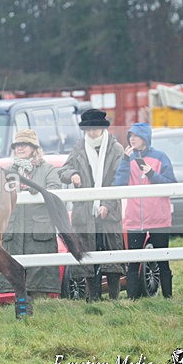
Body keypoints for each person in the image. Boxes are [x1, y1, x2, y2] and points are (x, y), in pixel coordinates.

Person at [58, 109, 126, 300]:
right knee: (88, 254)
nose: (92, 133)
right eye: (88, 129)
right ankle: (92, 298)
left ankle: (114, 297)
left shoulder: (116, 149)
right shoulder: (79, 147)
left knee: (111, 254)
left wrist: (107, 204)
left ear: (102, 128)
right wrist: (72, 174)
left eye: (94, 129)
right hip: (85, 211)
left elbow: (118, 179)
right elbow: (63, 170)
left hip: (108, 212)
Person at [114, 122, 177, 299]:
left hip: (159, 219)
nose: (132, 139)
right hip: (134, 219)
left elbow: (172, 184)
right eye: (130, 136)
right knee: (133, 263)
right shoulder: (127, 159)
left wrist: (152, 175)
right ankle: (133, 300)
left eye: (136, 136)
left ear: (145, 138)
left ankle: (168, 298)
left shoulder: (160, 157)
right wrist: (125, 162)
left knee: (163, 261)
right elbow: (119, 185)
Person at [0, 129, 62, 298]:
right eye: (17, 145)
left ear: (34, 148)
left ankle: (38, 314)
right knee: (15, 275)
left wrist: (37, 190)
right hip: (14, 230)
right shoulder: (7, 171)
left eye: (24, 144)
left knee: (38, 278)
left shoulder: (47, 169)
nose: (20, 148)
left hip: (38, 232)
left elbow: (56, 191)